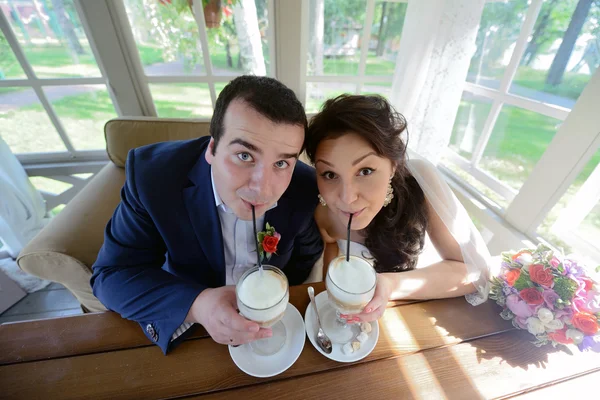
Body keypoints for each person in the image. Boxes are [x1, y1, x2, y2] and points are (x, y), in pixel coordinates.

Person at [91, 76, 324, 354]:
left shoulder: (304, 186)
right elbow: (111, 275)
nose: (262, 188)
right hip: (192, 325)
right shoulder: (153, 178)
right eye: (245, 156)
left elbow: (307, 253)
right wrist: (198, 305)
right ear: (212, 148)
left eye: (282, 162)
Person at [305, 94, 492, 323]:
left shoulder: (420, 184)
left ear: (393, 164)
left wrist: (391, 284)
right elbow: (331, 249)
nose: (347, 197)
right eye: (330, 174)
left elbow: (475, 273)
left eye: (365, 171)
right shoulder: (322, 212)